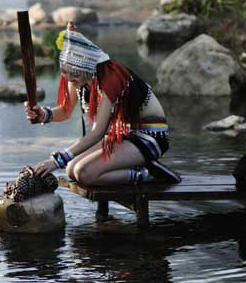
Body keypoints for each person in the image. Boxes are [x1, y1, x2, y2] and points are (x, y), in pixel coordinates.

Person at [24, 22, 179, 186]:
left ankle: (150, 174)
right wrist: (43, 114)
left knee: (85, 173)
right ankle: (132, 165)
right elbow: (64, 111)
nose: (69, 78)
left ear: (88, 68)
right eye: (65, 72)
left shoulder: (111, 79)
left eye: (74, 74)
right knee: (71, 169)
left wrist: (56, 161)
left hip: (148, 137)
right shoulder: (76, 74)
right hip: (121, 135)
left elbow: (98, 132)